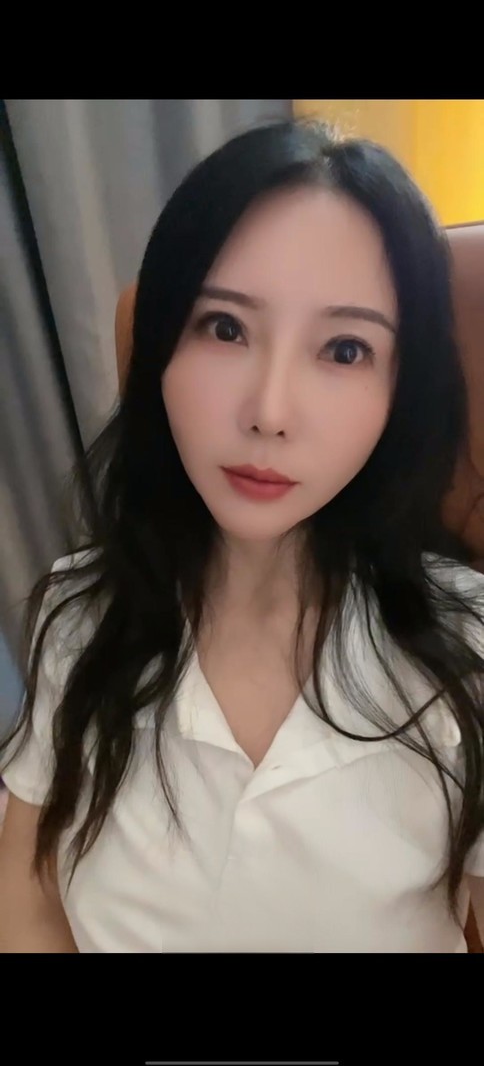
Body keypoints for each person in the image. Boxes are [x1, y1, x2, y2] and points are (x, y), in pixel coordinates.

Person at [1, 119, 483, 953]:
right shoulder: (79, 615)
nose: (269, 411)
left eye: (344, 348)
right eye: (224, 327)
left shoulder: (468, 644)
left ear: (399, 392)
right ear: (161, 351)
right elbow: (29, 891)